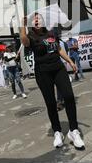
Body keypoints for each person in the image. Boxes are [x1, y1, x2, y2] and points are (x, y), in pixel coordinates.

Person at [20, 13, 85, 150]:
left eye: (39, 18)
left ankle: (74, 131)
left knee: (68, 96)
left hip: (58, 68)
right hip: (43, 72)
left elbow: (59, 49)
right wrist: (22, 25)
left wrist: (69, 61)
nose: (37, 21)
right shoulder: (31, 36)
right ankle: (57, 131)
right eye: (34, 20)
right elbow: (24, 41)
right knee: (50, 103)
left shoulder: (51, 33)